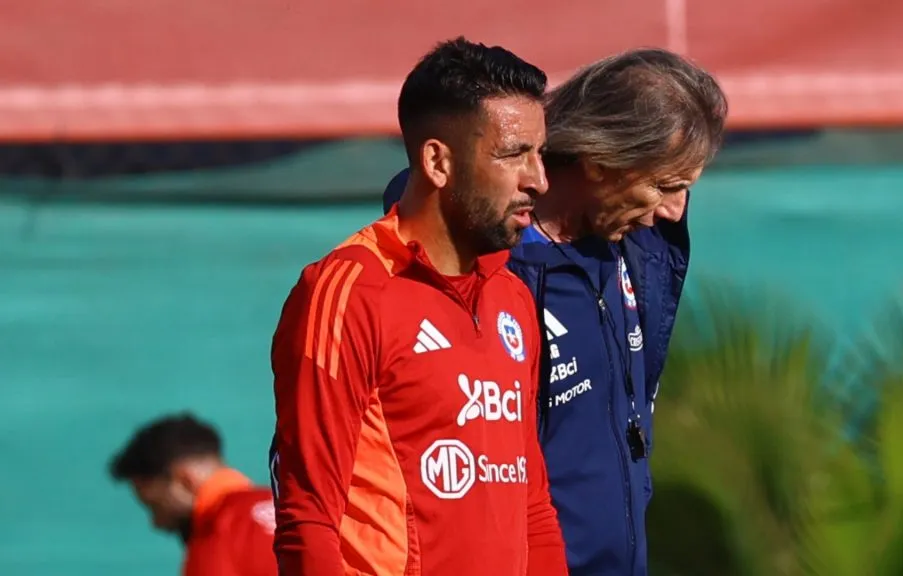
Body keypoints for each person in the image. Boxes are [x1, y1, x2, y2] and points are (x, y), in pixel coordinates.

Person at [383, 48, 728, 575]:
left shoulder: (638, 243)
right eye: (664, 185)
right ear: (598, 159)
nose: (674, 210)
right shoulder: (476, 270)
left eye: (687, 188)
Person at [268, 37, 568, 576]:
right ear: (437, 161)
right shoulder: (350, 290)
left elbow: (533, 509)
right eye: (513, 155)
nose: (538, 180)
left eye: (539, 153)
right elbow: (308, 516)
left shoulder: (512, 297)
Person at [108, 413, 277, 576]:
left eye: (154, 506)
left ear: (184, 480)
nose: (156, 523)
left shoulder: (214, 538)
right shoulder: (284, 506)